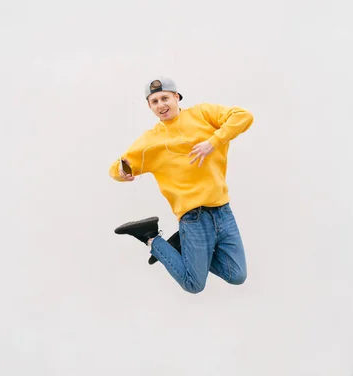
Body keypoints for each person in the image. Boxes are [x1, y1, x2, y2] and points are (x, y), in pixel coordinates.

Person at [109, 77, 254, 294]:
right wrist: (122, 173)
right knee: (194, 285)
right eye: (154, 101)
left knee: (237, 275)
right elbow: (117, 168)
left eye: (165, 98)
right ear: (150, 106)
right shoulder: (150, 142)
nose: (161, 105)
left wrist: (213, 142)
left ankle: (181, 245)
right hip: (193, 217)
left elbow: (243, 116)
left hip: (223, 210)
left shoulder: (203, 114)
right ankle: (150, 237)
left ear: (177, 97)